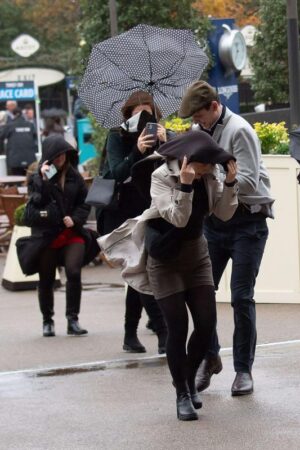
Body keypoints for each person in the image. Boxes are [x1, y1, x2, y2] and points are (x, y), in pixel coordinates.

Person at [99, 130, 238, 421]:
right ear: (190, 161)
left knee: (206, 324)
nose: (210, 169)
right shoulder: (162, 176)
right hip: (164, 259)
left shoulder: (210, 174)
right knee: (177, 327)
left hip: (196, 255)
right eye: (206, 165)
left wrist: (231, 182)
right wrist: (186, 187)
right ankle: (182, 394)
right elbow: (178, 218)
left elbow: (223, 214)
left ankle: (187, 380)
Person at [178, 81, 274, 396]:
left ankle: (243, 370)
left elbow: (247, 179)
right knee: (200, 291)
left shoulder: (240, 130)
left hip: (247, 221)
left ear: (215, 106)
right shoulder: (201, 130)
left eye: (199, 115)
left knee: (241, 296)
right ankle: (211, 356)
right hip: (216, 221)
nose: (196, 122)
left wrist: (213, 174)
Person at [96, 90, 169, 354]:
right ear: (128, 114)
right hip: (121, 212)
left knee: (138, 272)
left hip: (148, 209)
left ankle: (129, 335)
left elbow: (168, 168)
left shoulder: (160, 134)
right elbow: (115, 173)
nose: (142, 120)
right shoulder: (117, 136)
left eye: (147, 114)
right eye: (137, 114)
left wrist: (165, 141)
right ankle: (163, 332)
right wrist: (136, 150)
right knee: (142, 269)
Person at [27, 135, 96, 337]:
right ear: (48, 156)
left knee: (74, 272)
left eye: (63, 154)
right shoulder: (37, 177)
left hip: (71, 233)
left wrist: (74, 219)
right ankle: (47, 320)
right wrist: (42, 179)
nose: (60, 158)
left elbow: (85, 203)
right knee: (47, 278)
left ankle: (72, 319)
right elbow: (37, 202)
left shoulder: (75, 176)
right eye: (56, 155)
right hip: (47, 234)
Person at [0, 107, 37, 175]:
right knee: (29, 180)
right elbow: (35, 137)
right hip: (30, 159)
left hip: (14, 160)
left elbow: (1, 136)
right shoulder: (30, 125)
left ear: (13, 115)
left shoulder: (9, 125)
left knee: (16, 181)